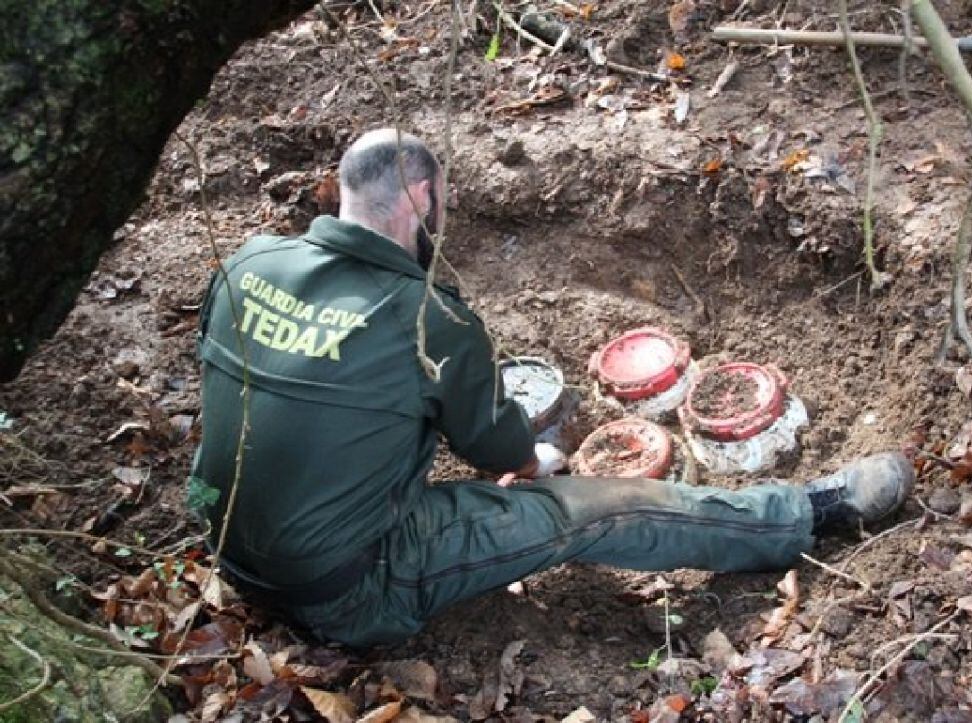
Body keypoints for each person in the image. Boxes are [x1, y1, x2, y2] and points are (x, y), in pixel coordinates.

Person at [192, 128, 914, 648]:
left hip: (236, 558)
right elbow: (495, 448)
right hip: (347, 590)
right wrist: (540, 464)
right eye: (441, 200)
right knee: (587, 512)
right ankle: (804, 513)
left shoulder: (246, 265)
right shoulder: (426, 319)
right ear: (421, 196)